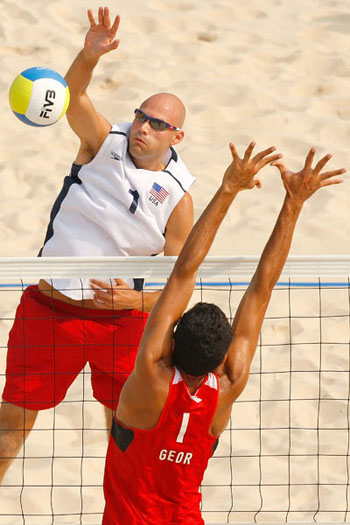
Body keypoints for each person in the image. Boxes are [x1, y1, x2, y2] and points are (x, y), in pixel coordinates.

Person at [0, 7, 196, 484]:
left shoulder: (179, 196)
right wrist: (88, 55)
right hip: (51, 310)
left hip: (122, 323)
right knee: (10, 427)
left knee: (125, 436)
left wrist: (140, 301)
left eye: (155, 123)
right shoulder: (102, 143)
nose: (141, 127)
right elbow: (75, 97)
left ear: (176, 136)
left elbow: (181, 284)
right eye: (139, 116)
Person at [102, 142, 345, 524]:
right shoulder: (229, 382)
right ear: (221, 359)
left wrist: (229, 188)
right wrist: (294, 202)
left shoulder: (150, 374)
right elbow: (262, 290)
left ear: (170, 341)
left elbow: (183, 271)